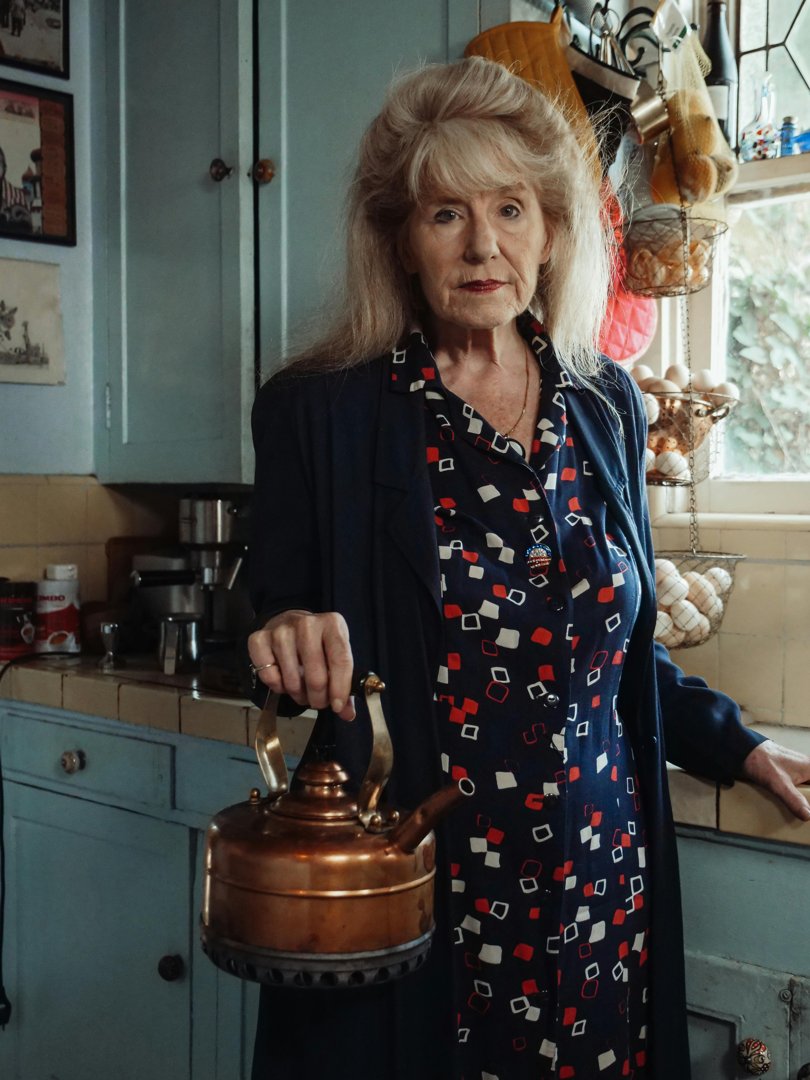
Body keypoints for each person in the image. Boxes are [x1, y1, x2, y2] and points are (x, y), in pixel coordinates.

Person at [247, 56, 810, 1080]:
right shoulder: (319, 411)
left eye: (511, 208)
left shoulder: (606, 406)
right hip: (420, 894)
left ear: (552, 231)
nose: (483, 245)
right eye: (445, 213)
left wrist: (733, 743)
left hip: (599, 891)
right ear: (401, 241)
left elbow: (605, 641)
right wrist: (281, 635)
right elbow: (272, 622)